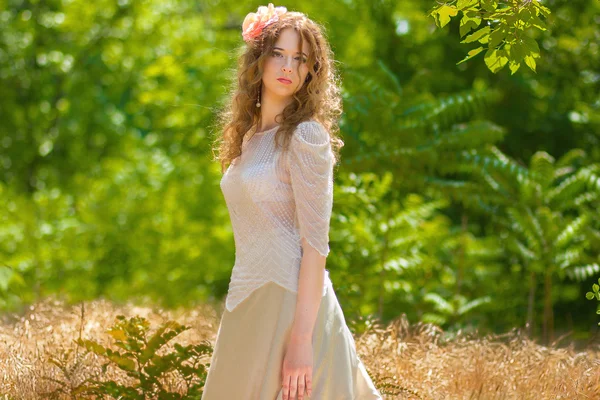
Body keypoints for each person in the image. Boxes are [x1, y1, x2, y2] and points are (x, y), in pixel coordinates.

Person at [203, 3, 383, 400]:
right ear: (259, 60)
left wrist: (302, 340)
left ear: (310, 72)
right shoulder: (248, 140)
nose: (288, 66)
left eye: (300, 59)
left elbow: (315, 245)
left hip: (292, 304)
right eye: (278, 54)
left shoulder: (306, 136)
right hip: (245, 297)